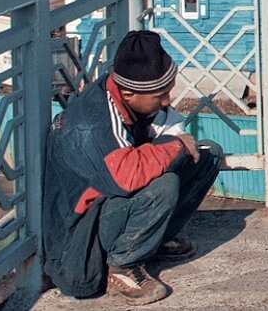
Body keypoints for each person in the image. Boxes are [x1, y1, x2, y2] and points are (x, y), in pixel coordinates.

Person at [43, 30, 222, 304]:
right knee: (163, 184)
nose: (166, 101)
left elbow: (168, 121)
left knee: (207, 155)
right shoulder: (94, 123)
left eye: (168, 91)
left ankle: (152, 240)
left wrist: (176, 143)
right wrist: (175, 146)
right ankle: (123, 267)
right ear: (128, 93)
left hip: (109, 208)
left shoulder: (130, 94)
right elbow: (126, 176)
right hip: (78, 247)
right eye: (160, 95)